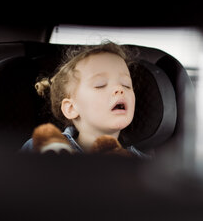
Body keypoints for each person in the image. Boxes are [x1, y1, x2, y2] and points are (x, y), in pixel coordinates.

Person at [20, 41, 151, 159]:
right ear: (71, 108)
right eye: (100, 85)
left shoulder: (143, 165)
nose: (119, 89)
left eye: (126, 84)